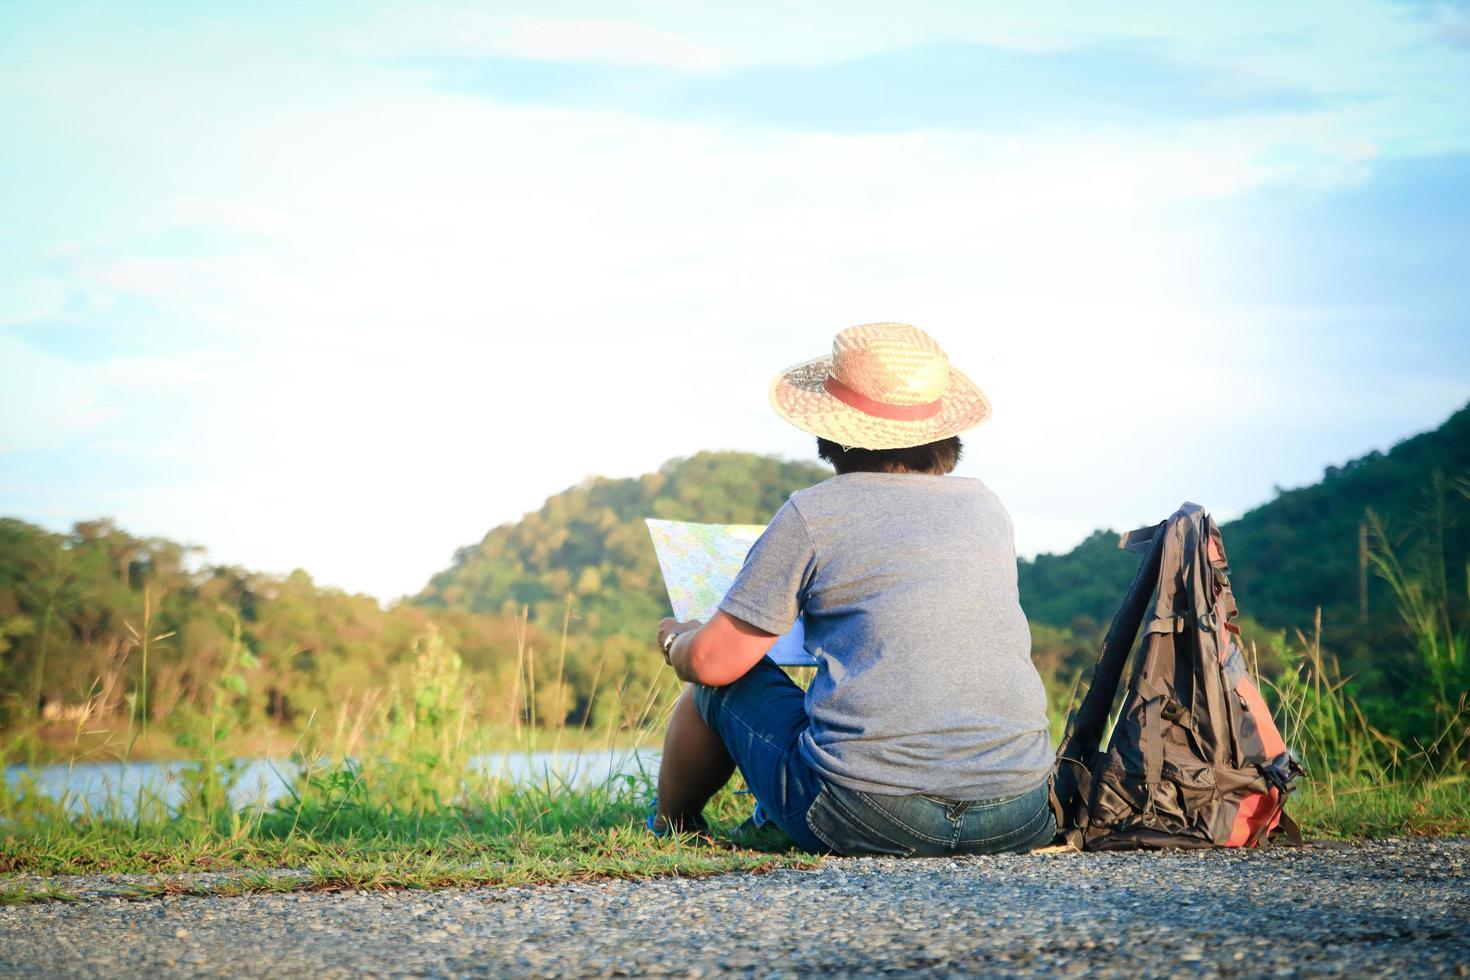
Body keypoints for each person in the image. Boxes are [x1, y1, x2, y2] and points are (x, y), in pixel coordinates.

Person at [653, 322, 1056, 856]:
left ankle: (673, 826)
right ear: (943, 435)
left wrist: (677, 639)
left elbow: (712, 663)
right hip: (1019, 812)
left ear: (830, 433)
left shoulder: (814, 512)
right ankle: (758, 817)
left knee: (715, 684)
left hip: (871, 815)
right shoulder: (987, 507)